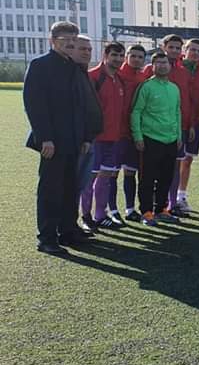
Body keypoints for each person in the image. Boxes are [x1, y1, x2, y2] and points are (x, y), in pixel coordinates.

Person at [24, 22, 94, 253]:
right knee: (50, 191)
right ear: (52, 40)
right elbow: (34, 104)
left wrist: (86, 137)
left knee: (70, 188)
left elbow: (83, 105)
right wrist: (45, 138)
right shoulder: (40, 65)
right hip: (52, 142)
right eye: (66, 40)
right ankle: (47, 238)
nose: (71, 44)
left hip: (74, 140)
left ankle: (68, 231)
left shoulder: (74, 67)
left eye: (74, 39)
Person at [131, 52, 183, 227]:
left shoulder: (174, 88)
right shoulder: (146, 87)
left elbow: (177, 112)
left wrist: (178, 135)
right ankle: (146, 212)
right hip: (150, 139)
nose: (162, 65)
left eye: (165, 62)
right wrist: (138, 136)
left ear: (170, 65)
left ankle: (161, 209)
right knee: (147, 178)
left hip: (171, 140)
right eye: (158, 62)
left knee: (166, 177)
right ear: (152, 66)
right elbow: (136, 112)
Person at [87, 42, 130, 229]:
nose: (118, 59)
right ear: (105, 55)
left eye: (121, 56)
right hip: (95, 139)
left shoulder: (119, 79)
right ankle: (86, 217)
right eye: (114, 55)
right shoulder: (93, 77)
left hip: (114, 138)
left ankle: (100, 215)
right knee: (89, 179)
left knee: (105, 178)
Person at [170, 38, 199, 217]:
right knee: (174, 161)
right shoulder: (175, 68)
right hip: (176, 122)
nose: (195, 53)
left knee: (188, 160)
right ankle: (168, 199)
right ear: (185, 50)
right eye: (192, 49)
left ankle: (181, 196)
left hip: (194, 122)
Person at [72, 36, 103, 233]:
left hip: (87, 139)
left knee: (80, 182)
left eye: (89, 49)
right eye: (82, 48)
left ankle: (71, 225)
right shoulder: (70, 74)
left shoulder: (84, 73)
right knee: (71, 184)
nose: (86, 52)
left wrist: (87, 137)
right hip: (73, 140)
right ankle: (65, 227)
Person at [116, 44, 146, 221]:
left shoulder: (143, 78)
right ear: (126, 56)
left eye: (140, 57)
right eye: (133, 55)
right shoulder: (116, 75)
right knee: (110, 173)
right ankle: (111, 211)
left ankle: (129, 209)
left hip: (134, 132)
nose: (136, 59)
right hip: (115, 133)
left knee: (130, 172)